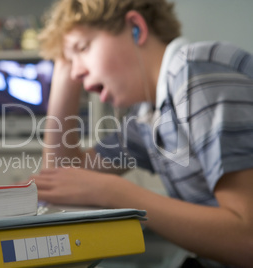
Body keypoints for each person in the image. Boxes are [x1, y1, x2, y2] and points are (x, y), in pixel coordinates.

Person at [30, 0, 253, 267]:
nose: (77, 72)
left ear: (136, 27)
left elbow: (246, 240)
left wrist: (115, 193)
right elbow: (63, 178)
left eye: (83, 47)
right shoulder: (150, 114)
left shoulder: (194, 73)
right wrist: (63, 67)